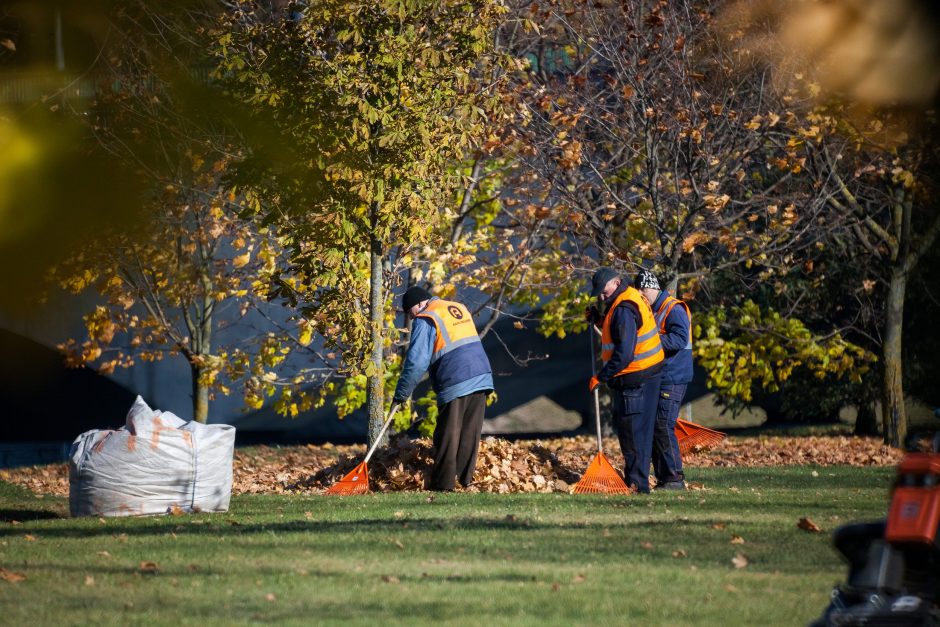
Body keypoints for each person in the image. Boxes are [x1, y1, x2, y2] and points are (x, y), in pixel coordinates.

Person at [392, 286, 494, 491]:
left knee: (447, 434)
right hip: (482, 375)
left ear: (417, 305)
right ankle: (464, 481)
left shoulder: (426, 317)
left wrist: (401, 393)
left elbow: (417, 362)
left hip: (456, 378)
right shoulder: (457, 307)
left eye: (410, 313)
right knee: (469, 433)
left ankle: (444, 485)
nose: (411, 319)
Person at [586, 267, 665, 494]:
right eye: (599, 293)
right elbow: (621, 332)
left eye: (603, 290)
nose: (601, 295)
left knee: (633, 435)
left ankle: (637, 486)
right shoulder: (628, 298)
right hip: (647, 375)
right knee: (640, 433)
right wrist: (599, 320)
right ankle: (637, 481)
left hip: (634, 380)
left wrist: (601, 377)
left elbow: (624, 353)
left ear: (616, 282)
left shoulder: (623, 308)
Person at [635, 269, 692, 490]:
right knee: (656, 425)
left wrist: (651, 341)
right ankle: (664, 477)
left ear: (650, 288)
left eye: (641, 291)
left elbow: (678, 339)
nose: (640, 296)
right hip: (661, 375)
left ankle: (674, 478)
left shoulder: (673, 308)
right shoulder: (652, 309)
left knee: (663, 425)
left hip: (673, 376)